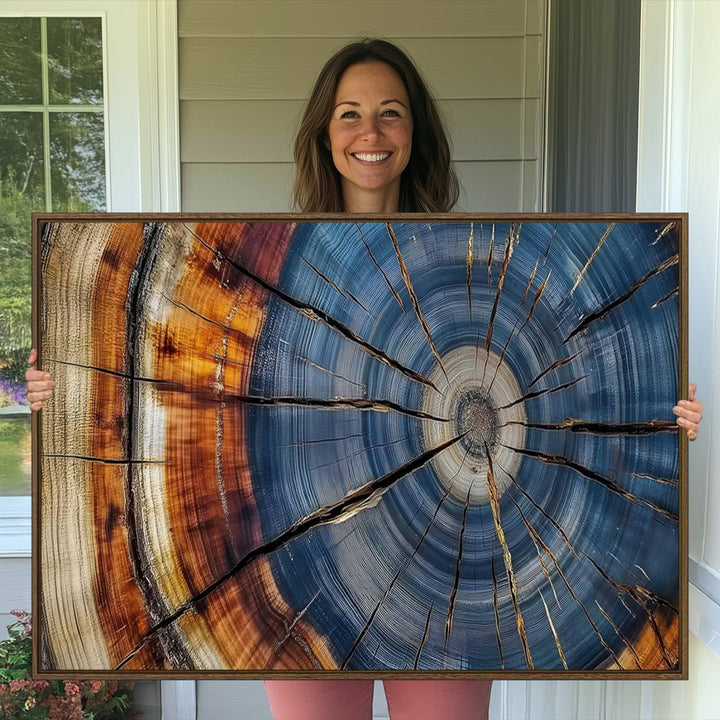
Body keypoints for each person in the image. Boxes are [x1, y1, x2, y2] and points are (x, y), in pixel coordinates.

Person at [26, 38, 703, 720]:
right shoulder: (263, 271)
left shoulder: (480, 258)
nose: (370, 133)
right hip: (302, 572)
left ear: (416, 132)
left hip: (451, 576)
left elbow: (570, 372)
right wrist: (67, 393)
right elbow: (183, 380)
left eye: (391, 113)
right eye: (349, 114)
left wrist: (658, 417)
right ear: (324, 133)